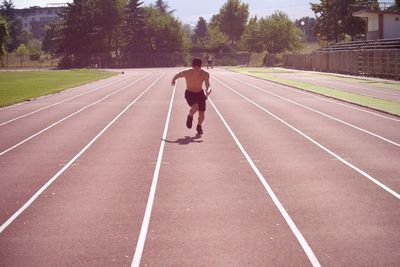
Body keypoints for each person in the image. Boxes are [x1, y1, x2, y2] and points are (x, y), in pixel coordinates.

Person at [171, 58, 211, 135]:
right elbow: (178, 74)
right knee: (195, 107)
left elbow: (208, 86)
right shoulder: (187, 72)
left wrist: (208, 91)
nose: (196, 69)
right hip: (190, 93)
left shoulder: (205, 74)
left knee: (202, 114)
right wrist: (174, 79)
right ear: (192, 66)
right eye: (195, 67)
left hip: (200, 93)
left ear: (201, 66)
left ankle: (199, 126)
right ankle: (190, 116)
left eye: (198, 67)